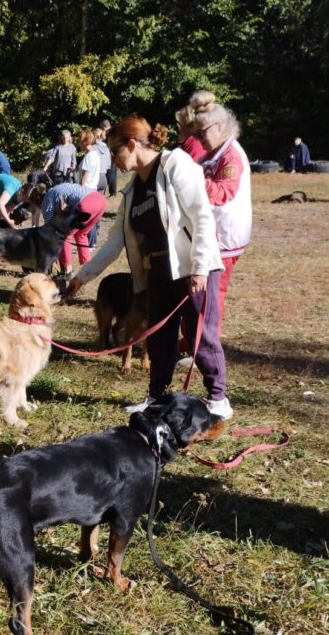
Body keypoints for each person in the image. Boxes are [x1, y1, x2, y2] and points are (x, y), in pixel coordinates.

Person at [65, 115, 233, 420]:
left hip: (193, 268)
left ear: (132, 145)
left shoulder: (176, 166)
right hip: (157, 272)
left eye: (115, 152)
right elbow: (115, 242)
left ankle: (218, 399)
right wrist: (83, 276)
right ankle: (156, 397)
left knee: (200, 335)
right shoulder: (132, 190)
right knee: (159, 339)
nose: (112, 160)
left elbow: (202, 216)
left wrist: (198, 268)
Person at [190, 90, 252, 335]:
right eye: (195, 133)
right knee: (200, 293)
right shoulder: (211, 154)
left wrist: (190, 181)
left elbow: (224, 192)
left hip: (225, 239)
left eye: (201, 133)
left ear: (221, 126)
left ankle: (206, 345)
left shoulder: (231, 156)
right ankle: (193, 341)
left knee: (212, 296)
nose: (197, 139)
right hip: (211, 236)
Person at [42, 179, 106, 279]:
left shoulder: (47, 197)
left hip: (86, 202)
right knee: (81, 234)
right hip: (101, 200)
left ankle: (68, 271)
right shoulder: (61, 188)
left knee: (66, 235)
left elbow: (49, 224)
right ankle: (87, 269)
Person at [99, 118, 118, 196]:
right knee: (111, 174)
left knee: (111, 174)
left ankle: (113, 192)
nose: (100, 129)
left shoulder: (109, 133)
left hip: (110, 156)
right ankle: (111, 191)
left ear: (104, 126)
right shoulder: (113, 132)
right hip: (110, 155)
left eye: (101, 127)